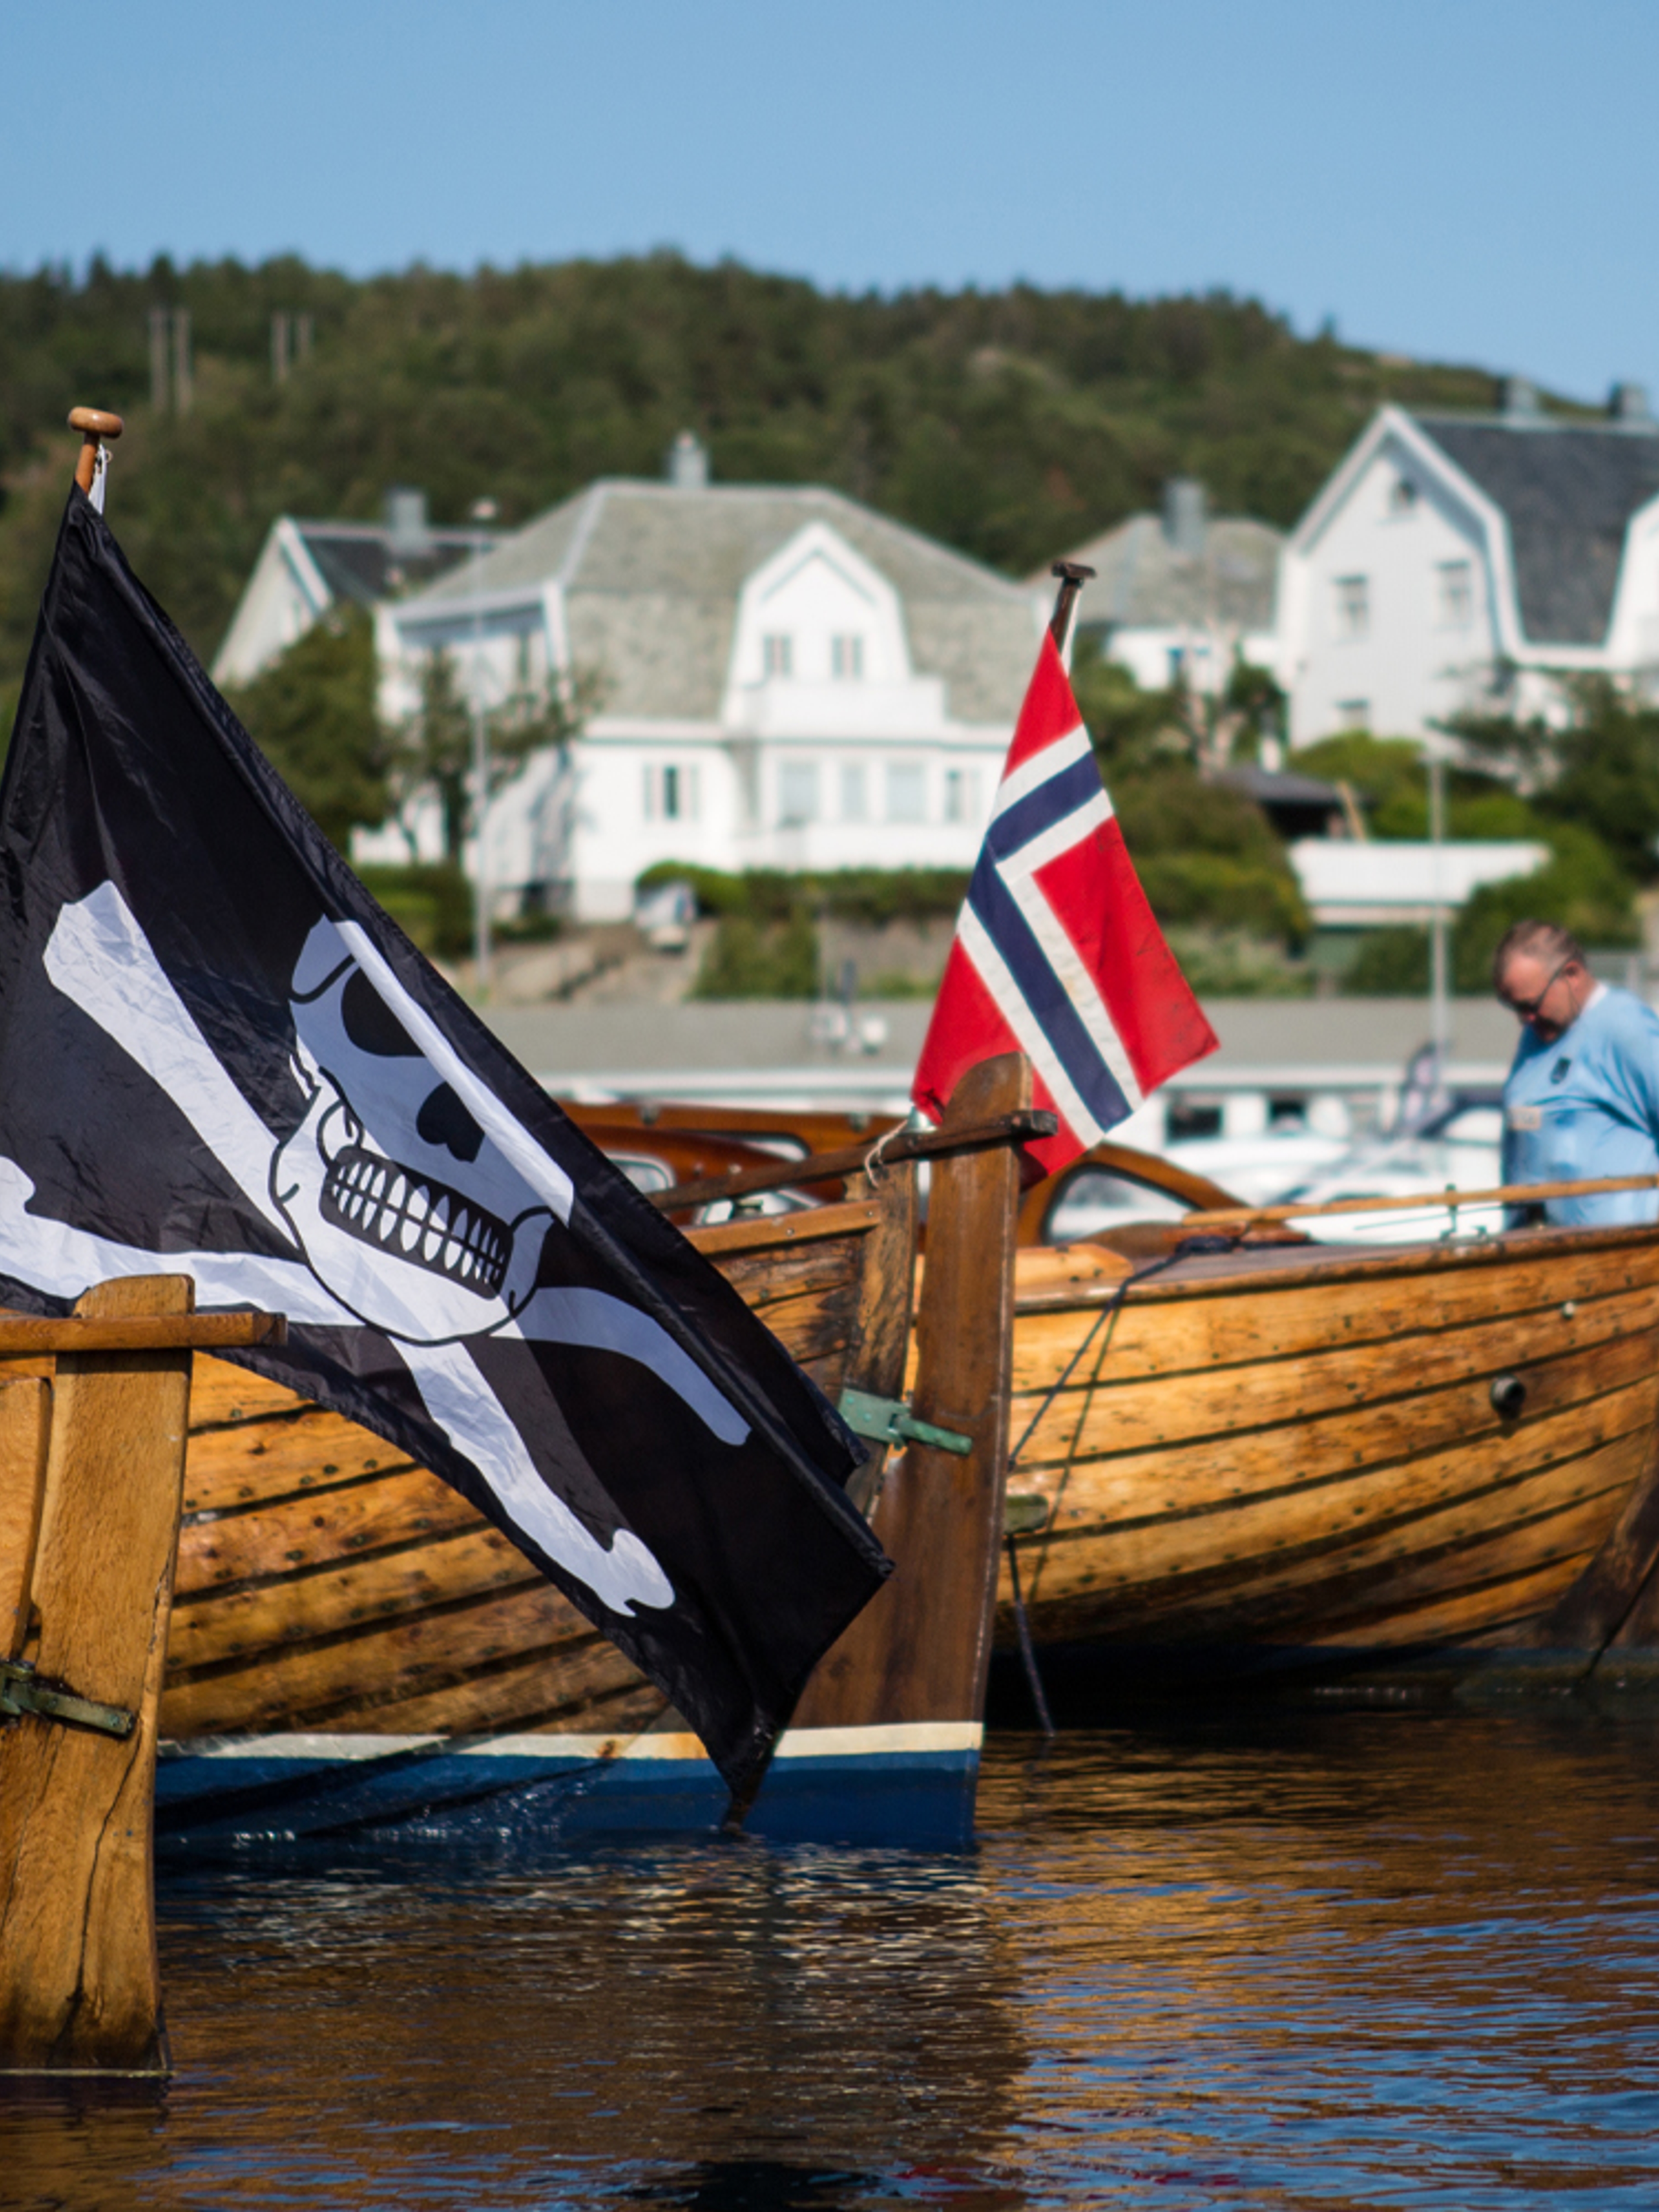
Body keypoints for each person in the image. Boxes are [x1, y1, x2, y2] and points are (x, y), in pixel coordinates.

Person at [1494, 918, 1659, 1227]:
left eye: (1531, 1005)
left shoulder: (1625, 1027)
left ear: (1571, 974)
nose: (1525, 1019)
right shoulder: (1536, 1036)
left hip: (1626, 1256)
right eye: (1515, 1008)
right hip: (1541, 1252)